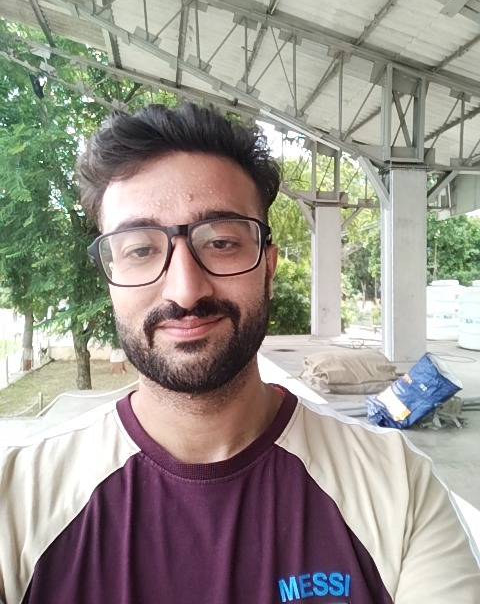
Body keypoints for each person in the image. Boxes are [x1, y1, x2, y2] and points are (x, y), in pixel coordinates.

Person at [0, 102, 479, 604]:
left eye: (222, 243)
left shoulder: (398, 487)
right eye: (140, 249)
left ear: (268, 267)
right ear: (111, 276)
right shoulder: (18, 500)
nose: (185, 291)